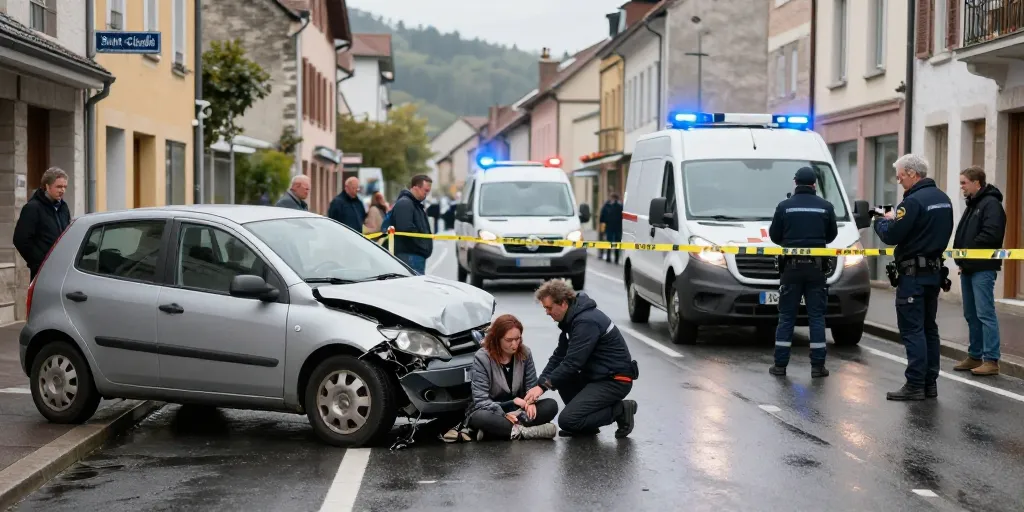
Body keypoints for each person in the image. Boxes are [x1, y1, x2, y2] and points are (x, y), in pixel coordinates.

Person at [873, 154, 954, 401]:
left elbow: (893, 235)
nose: (899, 182)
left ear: (911, 173)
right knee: (929, 328)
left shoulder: (913, 202)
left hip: (913, 276)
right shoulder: (944, 199)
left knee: (913, 330)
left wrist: (880, 221)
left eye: (900, 177)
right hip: (933, 273)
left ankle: (915, 384)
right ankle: (930, 384)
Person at [525, 279, 639, 438]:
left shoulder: (585, 321)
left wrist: (543, 387)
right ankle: (585, 424)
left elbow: (572, 363)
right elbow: (558, 357)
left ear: (563, 303)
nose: (547, 312)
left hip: (615, 380)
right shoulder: (571, 320)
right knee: (562, 378)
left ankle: (620, 410)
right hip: (597, 376)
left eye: (549, 308)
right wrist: (538, 385)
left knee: (567, 421)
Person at [767, 166, 838, 378]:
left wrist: (790, 243)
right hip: (816, 269)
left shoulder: (784, 206)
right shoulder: (826, 207)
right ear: (814, 184)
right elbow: (831, 235)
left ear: (795, 182)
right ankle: (818, 367)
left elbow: (774, 235)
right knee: (817, 317)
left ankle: (780, 365)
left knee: (787, 316)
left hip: (791, 269)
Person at [463, 314, 558, 441]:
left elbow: (531, 386)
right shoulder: (482, 357)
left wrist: (530, 402)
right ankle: (526, 432)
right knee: (480, 417)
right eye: (509, 340)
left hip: (519, 410)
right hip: (493, 410)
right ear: (497, 339)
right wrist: (507, 407)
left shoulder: (525, 353)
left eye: (517, 339)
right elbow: (481, 401)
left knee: (551, 405)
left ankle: (498, 432)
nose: (514, 344)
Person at [952, 166, 1006, 377]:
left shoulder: (990, 205)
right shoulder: (974, 204)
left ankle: (991, 360)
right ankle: (975, 356)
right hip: (969, 267)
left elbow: (991, 235)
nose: (962, 187)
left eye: (964, 183)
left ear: (977, 183)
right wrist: (963, 258)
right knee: (971, 314)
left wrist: (968, 252)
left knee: (985, 313)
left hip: (982, 268)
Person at [13, 167, 71, 281]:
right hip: (42, 271)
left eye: (65, 187)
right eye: (59, 187)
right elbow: (20, 240)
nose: (62, 190)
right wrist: (40, 262)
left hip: (62, 269)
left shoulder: (63, 208)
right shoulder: (33, 208)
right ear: (47, 186)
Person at [391, 175, 434, 274]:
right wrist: (422, 246)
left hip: (414, 256)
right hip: (410, 257)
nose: (426, 194)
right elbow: (405, 230)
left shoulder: (414, 204)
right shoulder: (405, 204)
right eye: (425, 190)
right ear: (415, 187)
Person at [599, 193, 624, 264]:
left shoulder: (615, 206)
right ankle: (612, 258)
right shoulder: (609, 206)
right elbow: (603, 216)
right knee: (612, 242)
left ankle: (613, 258)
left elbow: (602, 216)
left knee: (613, 242)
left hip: (614, 227)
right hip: (613, 227)